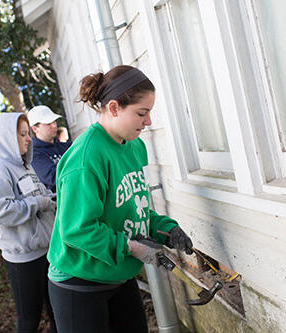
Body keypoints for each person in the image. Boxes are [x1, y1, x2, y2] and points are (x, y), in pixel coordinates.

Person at [46, 65, 194, 333]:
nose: (148, 122)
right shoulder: (86, 157)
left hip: (117, 272)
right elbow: (77, 230)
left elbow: (134, 210)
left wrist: (165, 228)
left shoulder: (135, 146)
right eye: (142, 113)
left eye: (149, 112)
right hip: (79, 279)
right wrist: (134, 248)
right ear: (113, 108)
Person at [0, 112, 57, 333]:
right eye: (22, 134)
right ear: (5, 138)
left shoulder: (25, 165)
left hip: (45, 251)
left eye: (27, 133)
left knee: (56, 310)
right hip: (23, 259)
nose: (29, 138)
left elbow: (39, 195)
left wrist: (50, 201)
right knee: (29, 319)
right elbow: (0, 211)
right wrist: (38, 203)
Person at [27, 105, 72, 193]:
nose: (54, 125)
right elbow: (53, 177)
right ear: (35, 128)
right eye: (48, 123)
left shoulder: (65, 146)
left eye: (54, 121)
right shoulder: (34, 154)